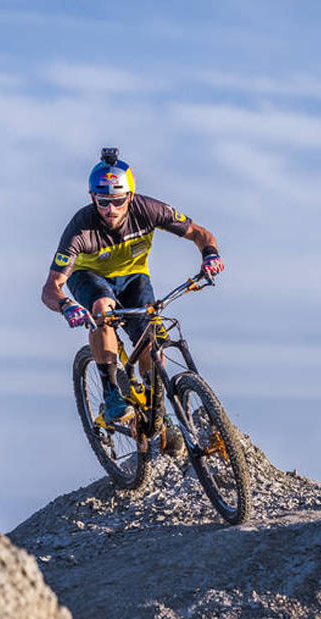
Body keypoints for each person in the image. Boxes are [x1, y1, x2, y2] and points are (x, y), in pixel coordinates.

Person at [40, 148, 225, 425]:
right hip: (89, 276)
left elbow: (200, 234)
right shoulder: (80, 229)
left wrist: (210, 255)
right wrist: (66, 306)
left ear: (130, 196)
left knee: (150, 339)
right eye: (103, 202)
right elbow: (51, 288)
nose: (110, 210)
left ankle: (155, 409)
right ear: (92, 197)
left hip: (134, 277)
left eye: (117, 201)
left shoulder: (149, 210)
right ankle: (112, 394)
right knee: (102, 309)